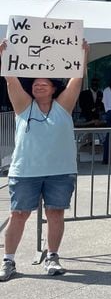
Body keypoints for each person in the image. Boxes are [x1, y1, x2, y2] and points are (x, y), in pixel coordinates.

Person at [0, 38, 89, 281]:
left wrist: (82, 54)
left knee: (55, 214)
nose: (39, 86)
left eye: (45, 83)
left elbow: (77, 79)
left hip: (59, 171)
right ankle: (8, 260)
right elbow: (11, 79)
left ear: (53, 88)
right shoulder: (22, 107)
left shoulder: (63, 107)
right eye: (36, 84)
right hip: (25, 171)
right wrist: (5, 55)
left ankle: (52, 256)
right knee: (18, 215)